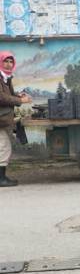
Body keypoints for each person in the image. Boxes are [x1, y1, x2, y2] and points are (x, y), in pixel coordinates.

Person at [0, 52, 32, 187]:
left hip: (3, 119)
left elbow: (7, 95)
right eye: (5, 61)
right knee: (3, 147)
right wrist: (21, 100)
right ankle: (1, 179)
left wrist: (18, 95)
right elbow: (1, 98)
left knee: (3, 147)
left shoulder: (6, 78)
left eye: (10, 62)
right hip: (1, 120)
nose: (8, 64)